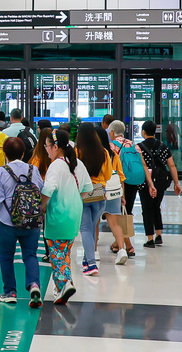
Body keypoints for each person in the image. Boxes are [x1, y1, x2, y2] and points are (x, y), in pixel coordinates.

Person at [0, 137, 45, 307]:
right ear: (23, 153)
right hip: (31, 222)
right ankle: (34, 285)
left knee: (6, 257)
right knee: (30, 254)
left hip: (7, 222)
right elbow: (41, 190)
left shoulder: (1, 172)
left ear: (5, 153)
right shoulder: (33, 169)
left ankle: (10, 292)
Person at [41, 129, 91, 305]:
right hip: (74, 213)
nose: (46, 150)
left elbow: (47, 190)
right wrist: (73, 199)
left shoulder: (56, 166)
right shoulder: (78, 163)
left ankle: (65, 283)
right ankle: (60, 286)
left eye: (47, 146)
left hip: (58, 215)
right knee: (64, 252)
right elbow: (87, 189)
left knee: (56, 254)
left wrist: (41, 206)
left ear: (55, 147)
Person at [107, 120, 155, 257]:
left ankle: (128, 246)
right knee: (127, 212)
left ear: (112, 132)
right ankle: (118, 243)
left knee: (119, 213)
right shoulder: (134, 145)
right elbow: (144, 165)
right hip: (134, 182)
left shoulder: (112, 146)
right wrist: (150, 184)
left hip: (119, 183)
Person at [74, 123, 113, 275]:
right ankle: (86, 260)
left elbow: (74, 173)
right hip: (99, 193)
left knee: (85, 229)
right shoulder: (103, 151)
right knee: (91, 228)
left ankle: (91, 264)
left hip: (83, 193)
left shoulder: (77, 151)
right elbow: (108, 175)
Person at [137, 121, 182, 248]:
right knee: (156, 206)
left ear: (143, 132)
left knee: (147, 209)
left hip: (145, 181)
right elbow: (171, 165)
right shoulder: (163, 146)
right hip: (161, 180)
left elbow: (141, 165)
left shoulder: (139, 147)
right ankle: (159, 235)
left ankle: (150, 239)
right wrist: (176, 183)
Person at [95, 128, 129, 266]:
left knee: (94, 222)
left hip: (97, 190)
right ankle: (122, 250)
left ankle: (94, 251)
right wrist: (122, 195)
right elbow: (121, 176)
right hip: (113, 191)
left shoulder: (92, 155)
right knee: (115, 223)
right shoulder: (114, 154)